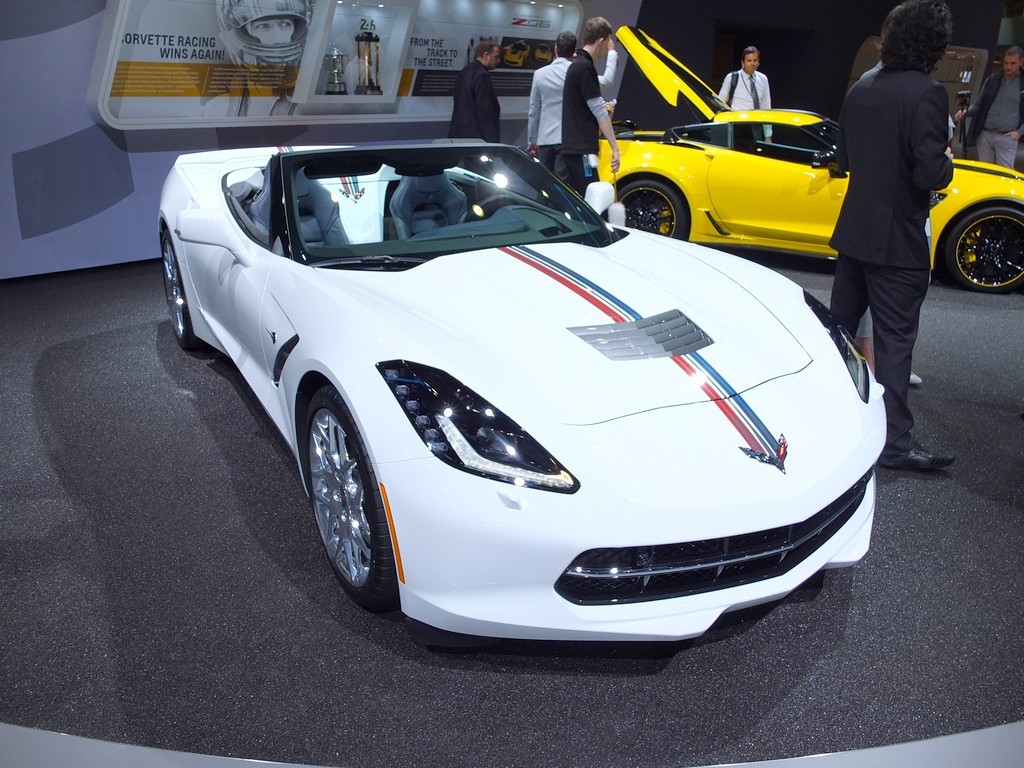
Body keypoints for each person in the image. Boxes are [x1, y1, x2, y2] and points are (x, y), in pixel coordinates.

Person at [828, 0, 955, 471]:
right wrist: (948, 158)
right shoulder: (927, 94)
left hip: (855, 233)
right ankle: (895, 444)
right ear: (933, 44)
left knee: (839, 335)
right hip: (897, 241)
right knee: (895, 344)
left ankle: (829, 418)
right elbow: (930, 174)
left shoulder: (862, 89)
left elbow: (846, 160)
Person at [527, 31, 620, 174]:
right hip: (568, 142)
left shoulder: (539, 74)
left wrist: (532, 141)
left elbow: (534, 111)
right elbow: (607, 81)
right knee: (564, 188)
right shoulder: (577, 71)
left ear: (555, 48)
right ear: (574, 52)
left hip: (545, 140)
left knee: (545, 188)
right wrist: (612, 53)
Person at [211, 0, 311, 117]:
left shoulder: (310, 106)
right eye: (263, 26)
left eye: (285, 24)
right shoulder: (218, 108)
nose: (278, 39)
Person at [559, 17, 621, 197]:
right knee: (592, 202)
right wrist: (615, 148)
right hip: (582, 151)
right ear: (601, 41)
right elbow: (600, 112)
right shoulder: (584, 68)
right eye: (607, 43)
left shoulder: (577, 64)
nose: (606, 50)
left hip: (575, 149)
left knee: (579, 201)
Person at [953, 45, 1024, 169]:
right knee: (984, 171)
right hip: (986, 134)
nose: (1008, 67)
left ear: (1021, 62)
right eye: (1006, 63)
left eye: (1013, 63)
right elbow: (978, 105)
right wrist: (965, 112)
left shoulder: (1022, 84)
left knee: (1005, 173)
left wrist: (1018, 133)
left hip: (1007, 137)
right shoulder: (992, 80)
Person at [448, 39, 502, 143]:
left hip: (458, 134)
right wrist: (492, 142)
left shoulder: (464, 71)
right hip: (477, 137)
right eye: (496, 57)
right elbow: (484, 111)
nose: (498, 61)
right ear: (486, 55)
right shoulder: (482, 75)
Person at [718, 46, 771, 110]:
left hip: (756, 118)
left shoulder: (763, 79)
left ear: (758, 62)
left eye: (755, 60)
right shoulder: (731, 77)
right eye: (749, 61)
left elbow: (766, 105)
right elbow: (721, 102)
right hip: (737, 118)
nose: (752, 63)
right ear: (743, 63)